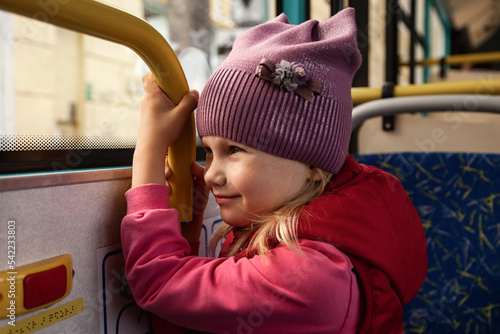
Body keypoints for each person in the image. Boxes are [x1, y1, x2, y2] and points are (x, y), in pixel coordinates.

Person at [121, 8, 428, 334]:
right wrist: (188, 227)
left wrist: (151, 149)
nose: (210, 175)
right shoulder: (294, 233)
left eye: (235, 150)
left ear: (312, 164)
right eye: (208, 152)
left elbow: (158, 283)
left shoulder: (311, 278)